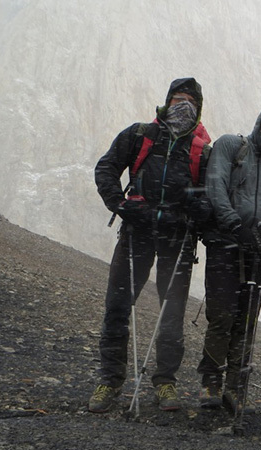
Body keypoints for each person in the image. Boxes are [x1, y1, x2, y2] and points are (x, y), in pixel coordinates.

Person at [89, 77, 211, 413]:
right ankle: (110, 381)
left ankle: (165, 383)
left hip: (178, 239)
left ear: (198, 109)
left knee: (171, 315)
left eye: (189, 101)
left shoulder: (203, 151)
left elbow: (209, 199)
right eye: (177, 99)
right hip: (136, 232)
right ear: (167, 101)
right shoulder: (140, 134)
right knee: (117, 306)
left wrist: (190, 210)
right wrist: (121, 204)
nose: (182, 106)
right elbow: (107, 168)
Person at [197, 101, 261, 413]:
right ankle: (210, 382)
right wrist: (235, 226)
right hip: (226, 243)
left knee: (248, 319)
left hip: (258, 251)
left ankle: (235, 387)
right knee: (223, 315)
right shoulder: (230, 146)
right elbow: (216, 187)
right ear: (259, 123)